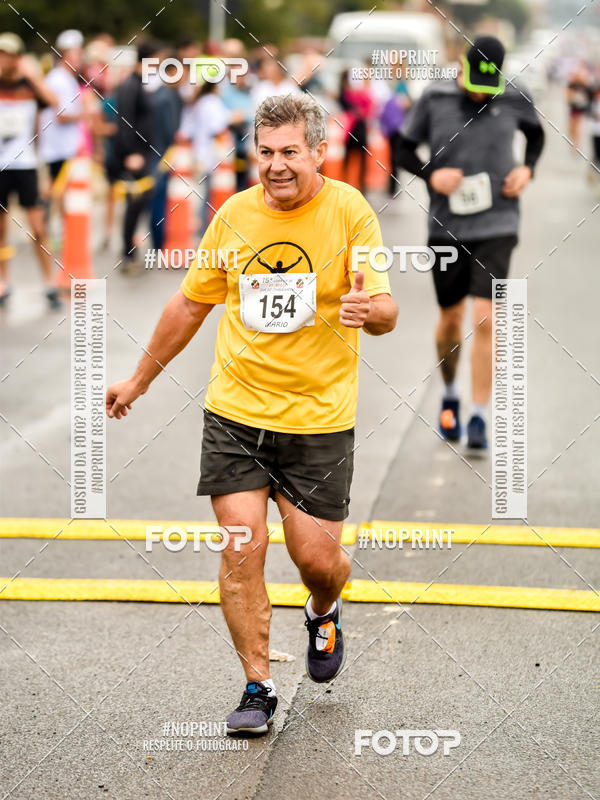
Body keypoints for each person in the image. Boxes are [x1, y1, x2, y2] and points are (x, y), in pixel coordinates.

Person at [105, 94, 397, 735]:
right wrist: (138, 379)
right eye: (265, 152)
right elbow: (190, 305)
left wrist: (368, 312)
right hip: (236, 414)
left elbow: (385, 308)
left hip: (318, 419)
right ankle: (257, 686)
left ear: (319, 151)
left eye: (290, 152)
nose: (276, 165)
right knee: (241, 547)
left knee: (317, 561)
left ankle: (324, 609)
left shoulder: (350, 211)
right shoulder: (234, 215)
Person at [397, 36, 544, 450]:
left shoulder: (515, 95)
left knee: (485, 318)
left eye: (488, 86)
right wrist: (431, 175)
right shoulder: (435, 97)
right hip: (446, 226)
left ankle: (479, 415)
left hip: (498, 223)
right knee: (450, 318)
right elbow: (402, 149)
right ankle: (450, 395)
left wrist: (527, 169)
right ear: (461, 66)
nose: (481, 93)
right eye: (475, 84)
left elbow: (536, 136)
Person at [0, 33, 59, 308]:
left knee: (38, 227)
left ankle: (49, 283)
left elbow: (53, 102)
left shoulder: (29, 85)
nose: (3, 60)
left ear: (18, 58)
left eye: (8, 55)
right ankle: (4, 282)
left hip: (25, 164)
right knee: (1, 229)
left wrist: (33, 76)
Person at [112, 39, 161, 272]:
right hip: (134, 156)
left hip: (142, 154)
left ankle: (131, 250)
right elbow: (124, 121)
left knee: (139, 204)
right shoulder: (130, 85)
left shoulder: (140, 84)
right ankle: (127, 254)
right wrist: (131, 153)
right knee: (134, 204)